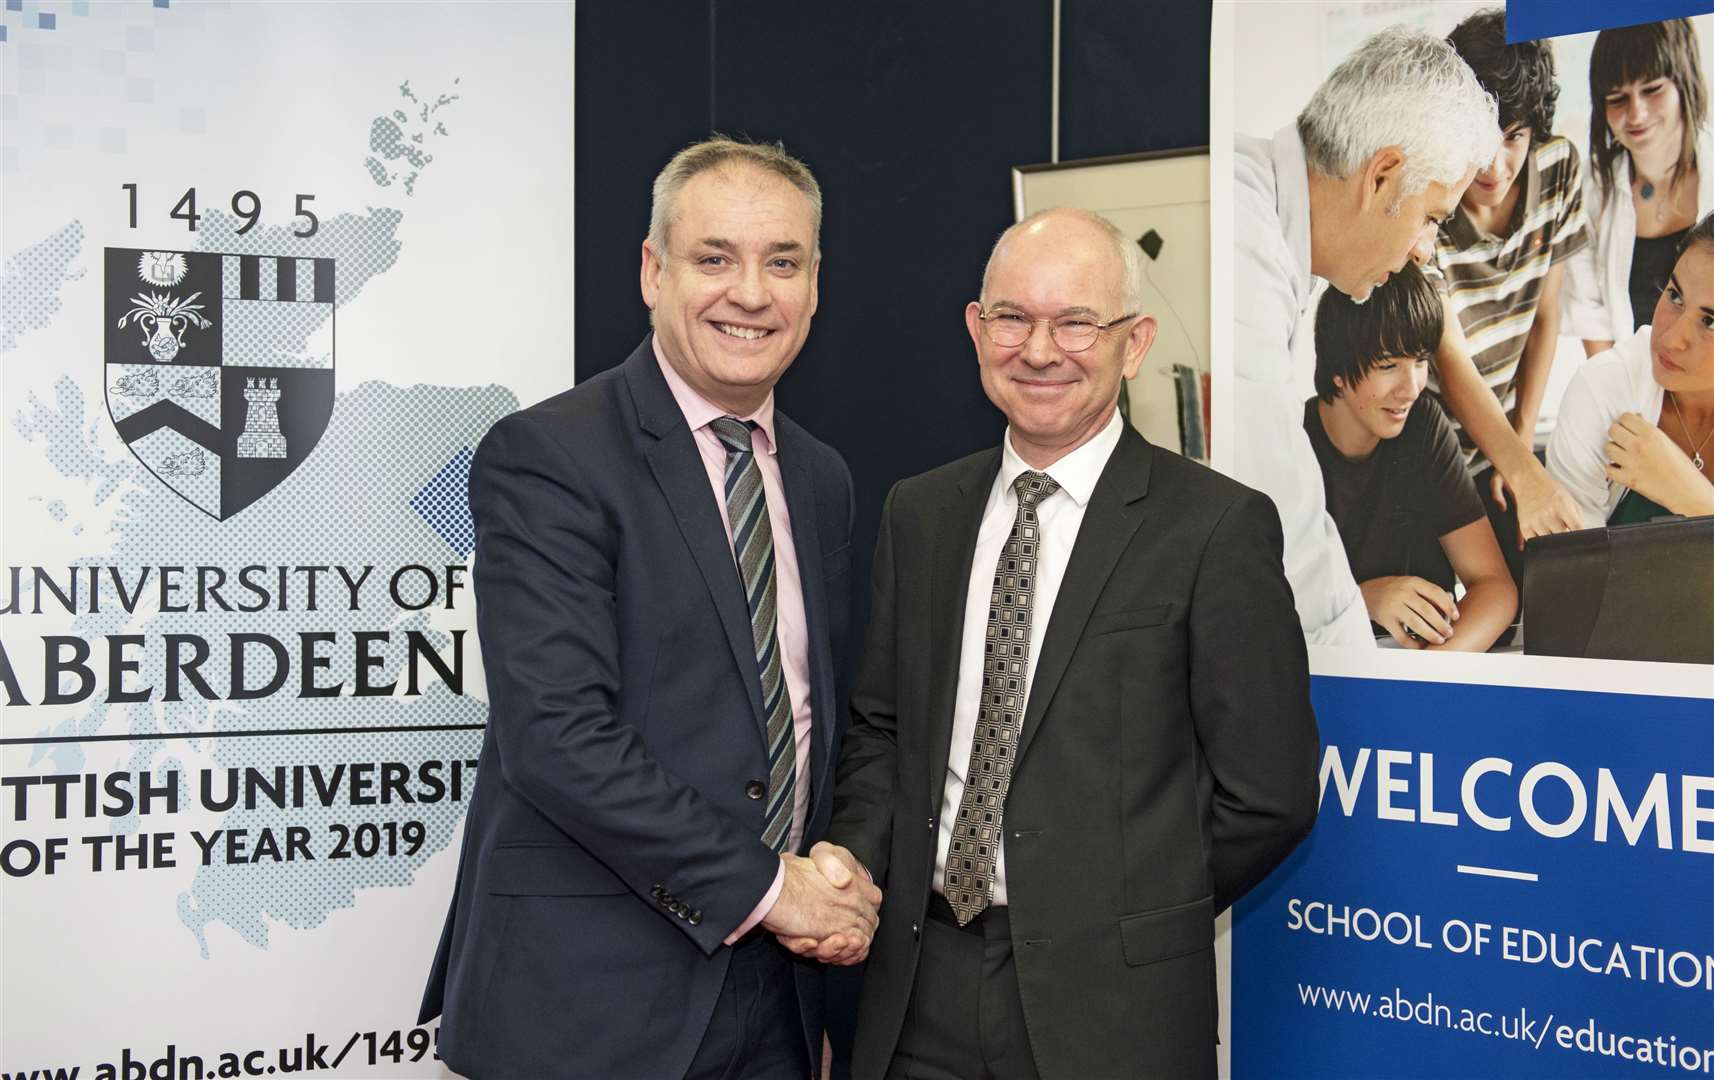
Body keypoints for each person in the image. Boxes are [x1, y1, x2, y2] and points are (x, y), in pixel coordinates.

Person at [819, 208, 1319, 1079]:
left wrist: (1129, 909)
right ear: (977, 330)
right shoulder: (920, 512)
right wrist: (858, 863)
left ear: (1135, 343)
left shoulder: (1214, 529)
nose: (1040, 350)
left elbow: (1268, 794)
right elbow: (882, 729)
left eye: (1077, 321)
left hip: (1112, 1010)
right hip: (914, 989)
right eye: (1011, 317)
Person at [418, 137, 880, 1079]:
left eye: (781, 262)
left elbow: (813, 723)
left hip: (776, 1003)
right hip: (593, 1003)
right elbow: (557, 737)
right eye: (715, 257)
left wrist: (834, 875)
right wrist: (767, 889)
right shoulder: (550, 456)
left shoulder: (822, 478)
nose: (750, 293)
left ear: (815, 286)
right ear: (652, 272)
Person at [1235, 26, 1501, 645]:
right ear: (1382, 175)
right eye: (1432, 218)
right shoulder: (1246, 252)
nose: (1422, 251)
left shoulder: (1264, 220)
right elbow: (1283, 533)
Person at [1429, 8, 1590, 588]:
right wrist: (1521, 471)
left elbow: (1545, 316)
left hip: (1505, 439)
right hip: (1432, 446)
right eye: (1479, 141)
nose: (1496, 165)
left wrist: (1519, 448)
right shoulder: (1430, 207)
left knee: (1552, 591)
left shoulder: (1560, 167)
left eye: (1515, 137)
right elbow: (1449, 360)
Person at [1307, 263, 1518, 651]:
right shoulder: (1295, 444)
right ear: (1338, 369)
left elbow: (1496, 587)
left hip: (1419, 662)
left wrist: (1429, 675)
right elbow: (1268, 605)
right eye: (1389, 366)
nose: (1411, 388)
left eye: (1420, 361)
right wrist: (1365, 598)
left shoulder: (1424, 425)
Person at [1550, 211, 1714, 527]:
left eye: (1710, 322)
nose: (1671, 337)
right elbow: (1575, 565)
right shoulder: (1604, 388)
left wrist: (1690, 496)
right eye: (1675, 296)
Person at [1565, 19, 1714, 356]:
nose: (1636, 113)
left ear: (1683, 82)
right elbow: (1593, 322)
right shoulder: (1589, 189)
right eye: (1617, 98)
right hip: (1632, 381)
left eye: (1652, 89)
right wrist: (1622, 400)